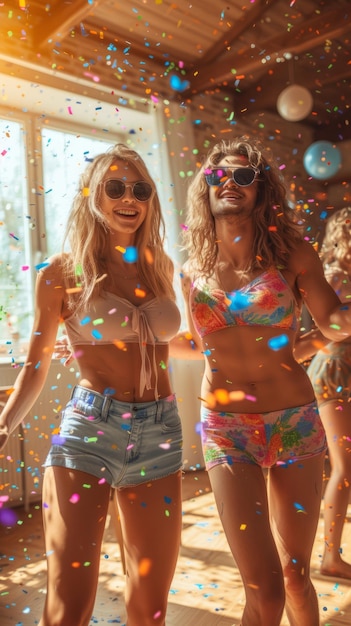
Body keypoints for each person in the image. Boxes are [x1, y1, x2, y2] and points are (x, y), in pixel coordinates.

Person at [170, 136, 351, 626]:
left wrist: (340, 320)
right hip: (227, 431)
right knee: (265, 590)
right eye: (218, 175)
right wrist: (126, 342)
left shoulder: (294, 253)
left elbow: (332, 322)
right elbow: (192, 342)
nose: (230, 182)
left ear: (262, 189)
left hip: (295, 422)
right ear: (204, 188)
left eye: (244, 176)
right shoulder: (192, 271)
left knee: (295, 575)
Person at [0, 144, 183, 626]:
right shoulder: (60, 273)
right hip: (90, 431)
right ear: (91, 195)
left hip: (161, 432)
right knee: (68, 607)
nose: (130, 197)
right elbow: (35, 366)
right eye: (115, 187)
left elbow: (172, 340)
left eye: (140, 189)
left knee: (152, 605)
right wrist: (2, 428)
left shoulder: (159, 264)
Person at [295, 207, 351, 580]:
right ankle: (330, 557)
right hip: (333, 375)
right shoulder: (332, 277)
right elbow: (323, 330)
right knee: (345, 468)